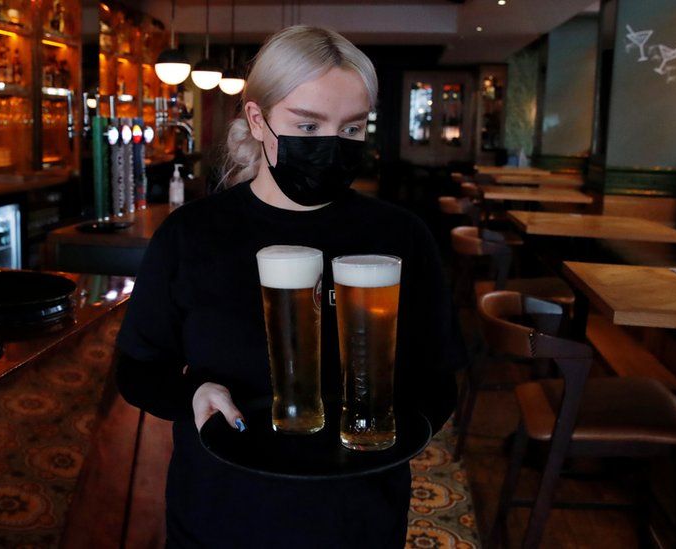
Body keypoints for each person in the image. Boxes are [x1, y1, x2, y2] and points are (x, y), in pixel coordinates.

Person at [115, 25, 466, 548]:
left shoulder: (400, 236)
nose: (331, 146)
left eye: (351, 129)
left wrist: (389, 428)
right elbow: (137, 370)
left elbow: (438, 379)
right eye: (308, 125)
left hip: (358, 512)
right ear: (258, 120)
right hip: (221, 508)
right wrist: (192, 393)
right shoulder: (192, 235)